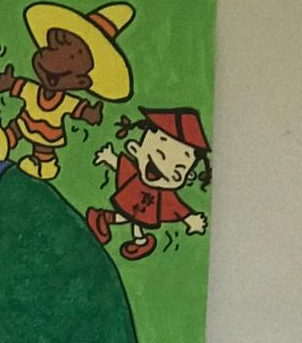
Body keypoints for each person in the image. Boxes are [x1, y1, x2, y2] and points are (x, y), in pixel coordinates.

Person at [0, 1, 134, 181]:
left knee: (43, 150)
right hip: (25, 121)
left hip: (49, 134)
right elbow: (20, 87)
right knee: (16, 129)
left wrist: (89, 113)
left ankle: (44, 165)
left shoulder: (66, 101)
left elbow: (78, 109)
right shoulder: (34, 90)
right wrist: (9, 83)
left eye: (71, 58)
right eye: (54, 49)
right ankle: (2, 142)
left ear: (82, 81)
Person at [87, 106, 210, 261]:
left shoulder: (165, 195)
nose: (163, 164)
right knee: (130, 217)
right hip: (133, 197)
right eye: (160, 153)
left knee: (135, 219)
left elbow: (178, 207)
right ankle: (111, 222)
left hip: (145, 207)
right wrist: (109, 157)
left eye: (179, 170)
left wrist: (190, 219)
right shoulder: (137, 176)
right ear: (135, 148)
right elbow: (124, 167)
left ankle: (135, 238)